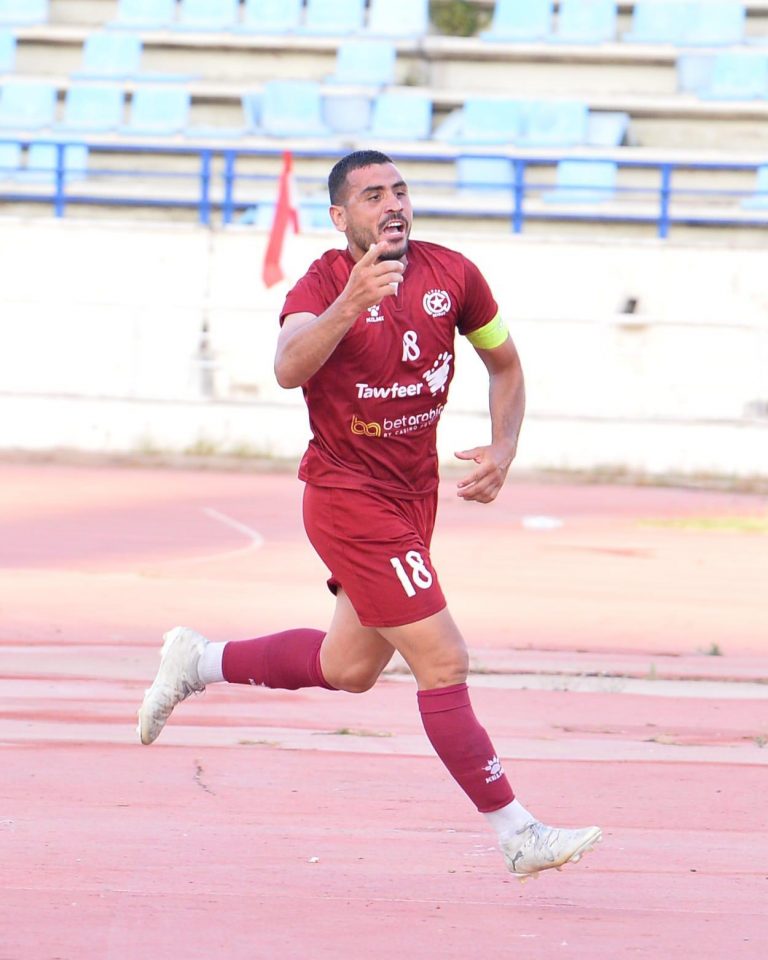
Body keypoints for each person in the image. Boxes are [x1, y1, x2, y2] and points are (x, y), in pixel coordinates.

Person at [137, 150, 601, 881]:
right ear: (340, 216)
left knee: (348, 668)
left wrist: (504, 446)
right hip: (347, 497)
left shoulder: (455, 276)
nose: (393, 205)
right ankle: (517, 833)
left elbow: (505, 363)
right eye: (373, 195)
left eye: (400, 192)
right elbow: (288, 367)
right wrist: (350, 302)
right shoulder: (323, 284)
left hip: (412, 497)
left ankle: (197, 660)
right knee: (442, 659)